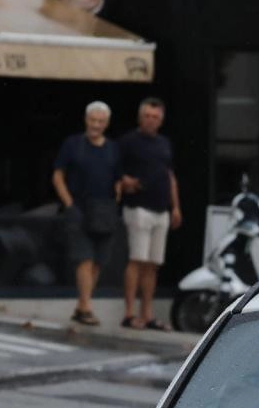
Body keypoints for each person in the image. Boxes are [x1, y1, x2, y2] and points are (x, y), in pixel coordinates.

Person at [51, 100, 123, 327]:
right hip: (79, 210)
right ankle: (86, 307)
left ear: (107, 123)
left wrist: (116, 199)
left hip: (104, 212)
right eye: (93, 120)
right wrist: (69, 203)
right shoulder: (73, 144)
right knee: (84, 259)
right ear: (86, 120)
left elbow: (118, 179)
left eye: (101, 121)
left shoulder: (113, 148)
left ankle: (82, 305)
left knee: (98, 262)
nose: (96, 125)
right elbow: (57, 175)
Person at [116, 96, 181, 330]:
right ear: (139, 117)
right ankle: (129, 313)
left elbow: (169, 175)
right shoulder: (127, 142)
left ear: (161, 120)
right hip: (138, 208)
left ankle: (147, 314)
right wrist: (125, 182)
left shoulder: (164, 143)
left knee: (153, 264)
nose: (151, 120)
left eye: (155, 117)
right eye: (147, 116)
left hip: (161, 209)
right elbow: (114, 171)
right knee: (137, 260)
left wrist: (176, 206)